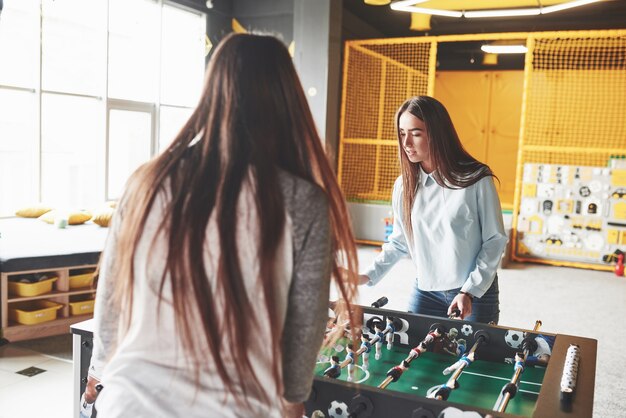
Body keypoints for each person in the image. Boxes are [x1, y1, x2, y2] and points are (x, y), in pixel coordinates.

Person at [82, 33, 359, 418]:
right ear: (286, 99)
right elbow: (302, 334)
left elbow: (111, 298)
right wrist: (293, 399)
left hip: (129, 403)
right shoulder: (302, 200)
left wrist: (96, 374)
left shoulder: (147, 182)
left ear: (211, 93)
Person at [359, 96, 507, 323]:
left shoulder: (476, 179)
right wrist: (366, 275)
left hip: (474, 293)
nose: (406, 142)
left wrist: (469, 291)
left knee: (474, 356)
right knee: (413, 353)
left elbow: (494, 240)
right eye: (402, 133)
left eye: (416, 133)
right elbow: (400, 241)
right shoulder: (403, 186)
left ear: (438, 134)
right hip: (425, 290)